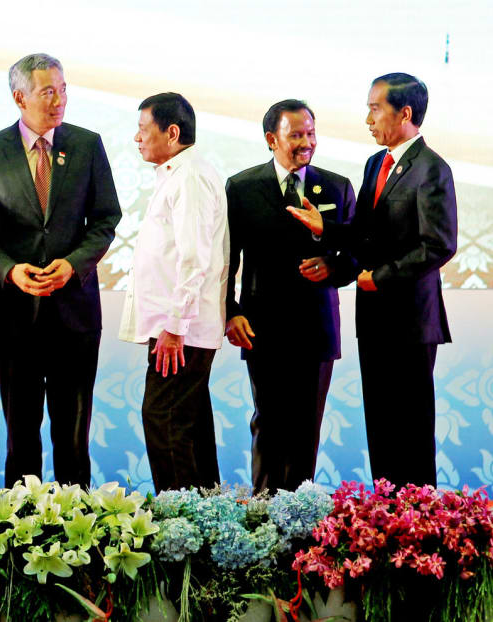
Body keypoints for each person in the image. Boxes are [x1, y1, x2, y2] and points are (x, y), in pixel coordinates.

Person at [0, 53, 121, 488]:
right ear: (19, 97)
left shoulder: (87, 145)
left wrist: (73, 264)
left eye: (63, 89)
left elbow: (106, 218)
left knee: (73, 439)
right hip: (15, 317)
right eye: (48, 91)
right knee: (21, 438)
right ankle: (19, 539)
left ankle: (82, 539)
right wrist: (10, 270)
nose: (59, 100)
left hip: (76, 314)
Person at [288, 74, 457, 487]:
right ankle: (385, 523)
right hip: (376, 320)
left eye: (374, 108)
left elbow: (438, 245)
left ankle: (418, 532)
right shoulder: (375, 163)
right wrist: (324, 227)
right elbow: (365, 233)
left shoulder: (431, 169)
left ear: (405, 113)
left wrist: (379, 277)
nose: (367, 119)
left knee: (411, 435)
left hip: (412, 324)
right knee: (381, 431)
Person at [225, 99, 357, 494]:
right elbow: (226, 261)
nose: (306, 143)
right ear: (271, 138)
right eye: (296, 135)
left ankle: (302, 526)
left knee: (305, 429)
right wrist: (230, 312)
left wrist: (333, 268)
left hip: (316, 329)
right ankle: (263, 518)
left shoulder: (336, 186)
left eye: (311, 134)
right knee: (268, 424)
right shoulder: (242, 187)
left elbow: (354, 257)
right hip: (261, 328)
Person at [119, 93, 228, 493]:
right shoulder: (178, 174)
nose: (136, 139)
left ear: (172, 132)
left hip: (181, 333)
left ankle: (180, 530)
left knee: (165, 423)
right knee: (187, 427)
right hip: (178, 329)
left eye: (143, 130)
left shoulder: (190, 177)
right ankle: (205, 527)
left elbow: (194, 257)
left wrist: (176, 326)